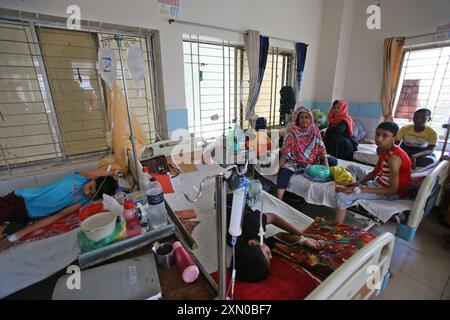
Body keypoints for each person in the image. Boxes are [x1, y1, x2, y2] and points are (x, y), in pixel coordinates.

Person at [0, 170, 118, 252]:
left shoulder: (82, 202)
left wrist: (15, 237)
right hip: (20, 200)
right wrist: (117, 174)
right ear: (93, 179)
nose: (87, 193)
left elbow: (56, 217)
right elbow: (111, 171)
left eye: (91, 194)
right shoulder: (81, 177)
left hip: (28, 216)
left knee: (7, 237)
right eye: (90, 187)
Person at [225, 193, 326, 282]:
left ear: (252, 243)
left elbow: (273, 218)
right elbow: (280, 236)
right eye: (269, 257)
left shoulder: (253, 225)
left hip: (233, 198)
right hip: (232, 212)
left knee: (252, 189)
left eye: (268, 254)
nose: (271, 256)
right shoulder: (252, 247)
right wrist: (304, 241)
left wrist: (300, 234)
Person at [334, 122, 411, 224]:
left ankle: (337, 226)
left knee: (341, 196)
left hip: (390, 192)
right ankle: (352, 184)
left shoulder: (394, 158)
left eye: (385, 136)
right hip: (378, 181)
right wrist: (358, 182)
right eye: (377, 134)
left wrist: (361, 189)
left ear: (395, 138)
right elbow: (375, 172)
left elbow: (392, 190)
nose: (379, 139)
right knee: (352, 167)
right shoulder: (384, 150)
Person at [277, 106, 329, 200]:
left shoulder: (315, 131)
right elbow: (285, 150)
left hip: (313, 161)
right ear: (297, 119)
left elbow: (322, 148)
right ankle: (278, 199)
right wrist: (280, 165)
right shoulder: (292, 132)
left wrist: (326, 167)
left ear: (311, 119)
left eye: (307, 117)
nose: (304, 120)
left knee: (333, 161)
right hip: (295, 162)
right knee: (284, 171)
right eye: (302, 117)